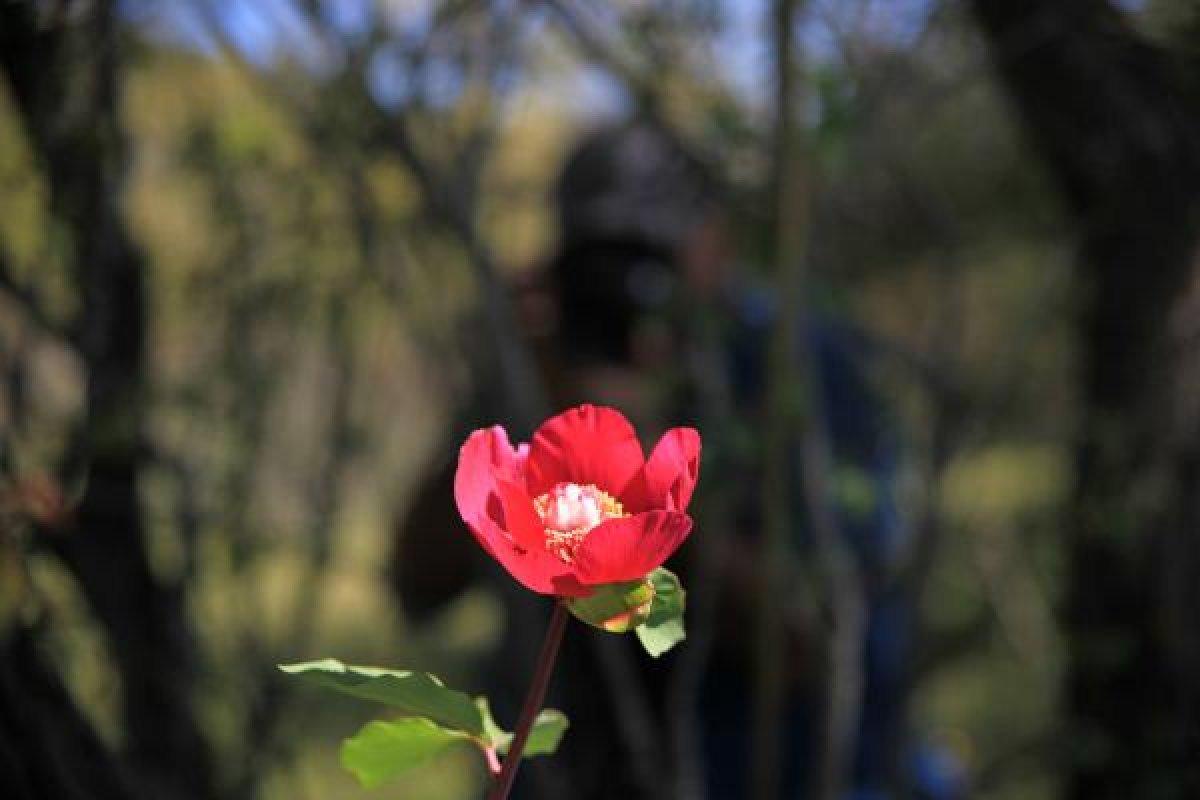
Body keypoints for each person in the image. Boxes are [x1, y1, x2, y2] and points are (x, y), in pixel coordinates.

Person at [389, 120, 964, 799]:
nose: (628, 289)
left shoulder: (804, 372)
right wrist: (517, 393)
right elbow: (417, 586)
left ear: (718, 240)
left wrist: (636, 477)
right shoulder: (549, 366)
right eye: (600, 263)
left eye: (653, 256)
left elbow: (817, 641)